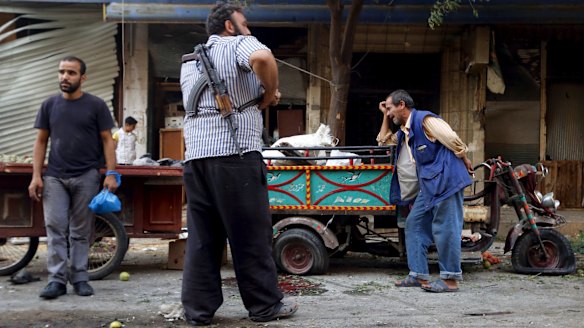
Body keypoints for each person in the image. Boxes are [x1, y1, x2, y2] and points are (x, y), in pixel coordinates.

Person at [179, 2, 297, 326]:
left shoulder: (191, 60)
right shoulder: (236, 43)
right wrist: (269, 93)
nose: (248, 30)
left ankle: (197, 311)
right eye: (244, 24)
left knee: (203, 239)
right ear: (229, 26)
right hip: (236, 155)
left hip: (196, 158)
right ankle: (264, 306)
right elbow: (263, 58)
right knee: (251, 236)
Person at [28, 56, 119, 299]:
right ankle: (56, 281)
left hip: (87, 175)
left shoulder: (96, 105)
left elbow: (107, 140)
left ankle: (80, 278)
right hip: (55, 176)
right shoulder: (49, 105)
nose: (65, 77)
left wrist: (111, 173)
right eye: (61, 72)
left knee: (80, 230)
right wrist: (36, 175)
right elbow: (40, 141)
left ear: (83, 77)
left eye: (71, 73)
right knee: (55, 227)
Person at [378, 89, 473, 293]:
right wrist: (383, 115)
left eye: (390, 108)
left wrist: (465, 158)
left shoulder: (425, 121)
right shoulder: (406, 132)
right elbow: (383, 141)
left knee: (445, 227)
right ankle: (419, 275)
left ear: (402, 104)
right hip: (430, 186)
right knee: (414, 223)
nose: (389, 113)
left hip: (446, 182)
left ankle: (450, 279)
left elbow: (451, 137)